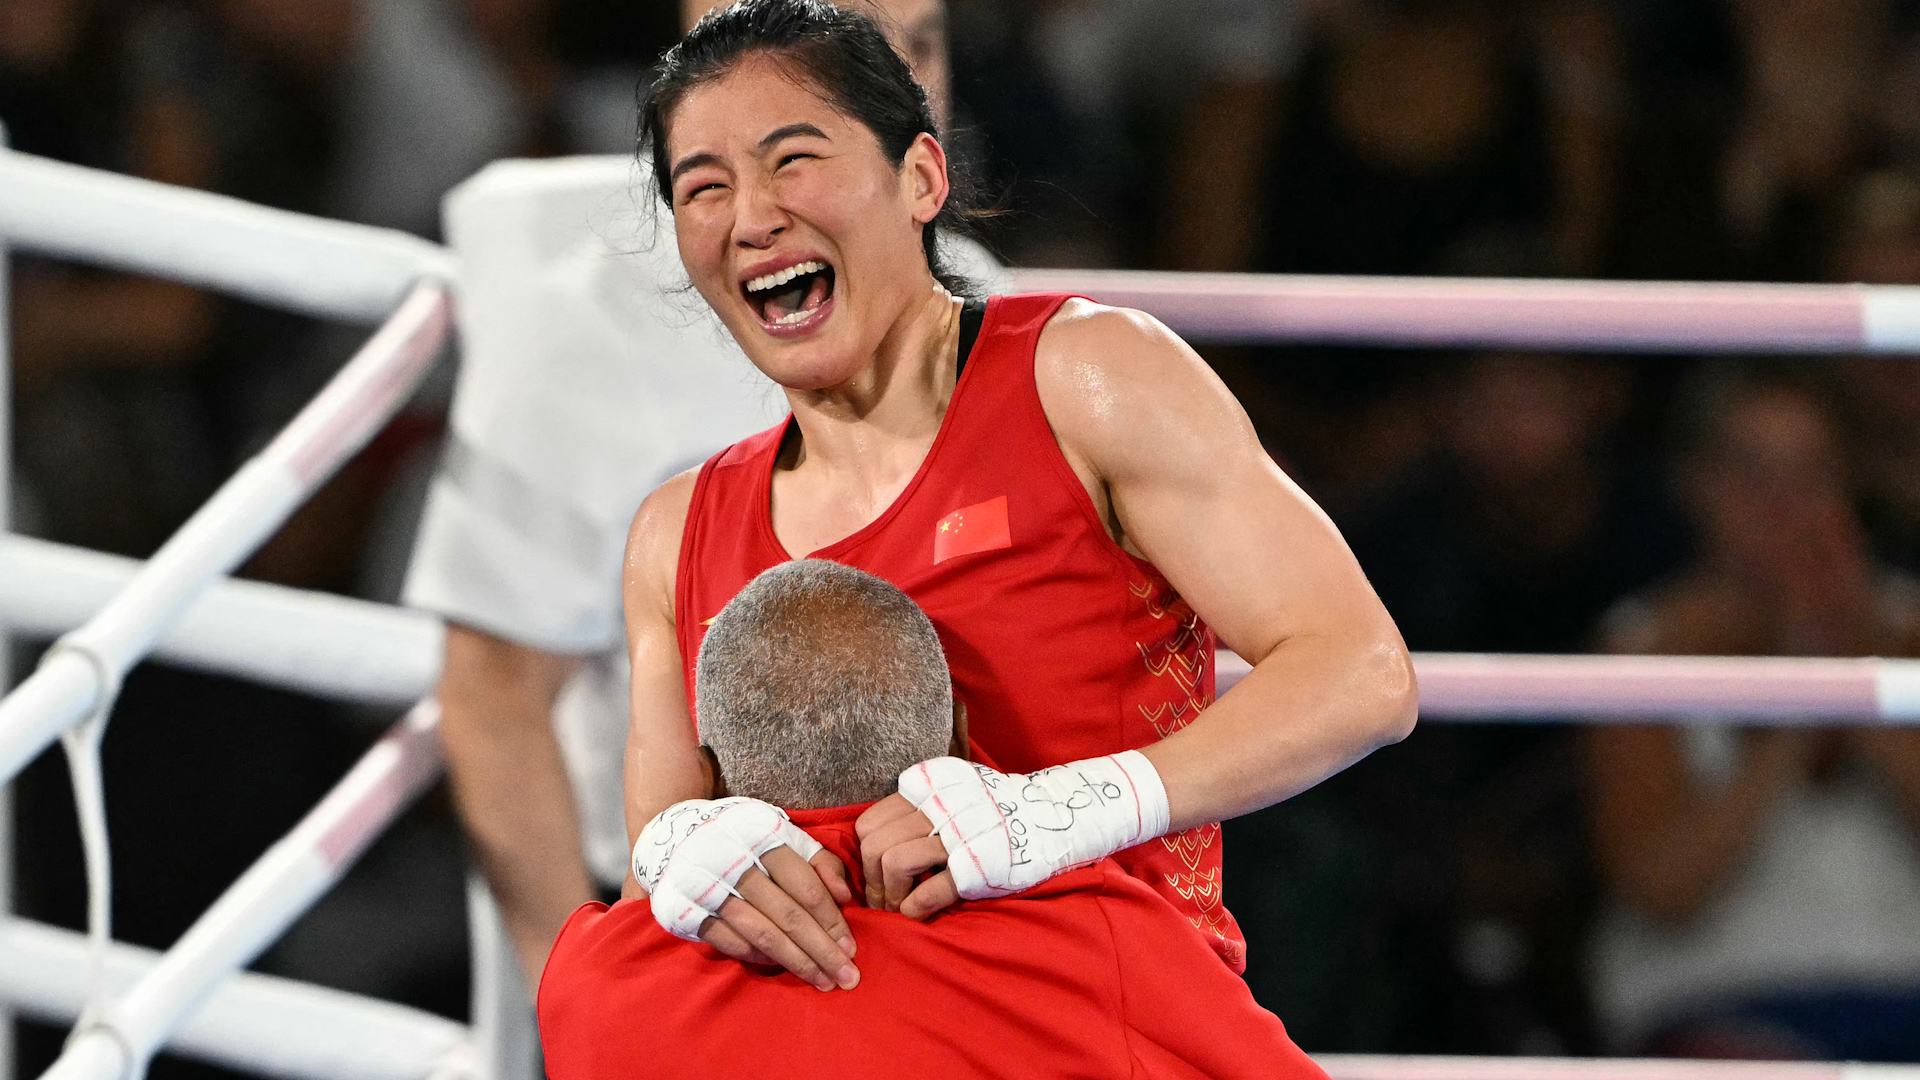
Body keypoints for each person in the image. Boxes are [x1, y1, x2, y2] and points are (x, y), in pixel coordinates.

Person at [620, 0, 1416, 995]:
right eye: (703, 187)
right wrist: (681, 857)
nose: (751, 216)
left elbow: (1362, 672)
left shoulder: (1089, 378)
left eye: (792, 161)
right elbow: (657, 833)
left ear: (920, 176)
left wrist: (1069, 808)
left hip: (1109, 1028)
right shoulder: (674, 535)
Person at [404, 0, 1005, 983]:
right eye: (839, 39)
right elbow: (494, 696)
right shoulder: (592, 326)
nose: (889, 83)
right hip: (703, 936)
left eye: (919, 44)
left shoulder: (988, 300)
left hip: (971, 910)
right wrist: (595, 1001)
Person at [541, 559, 1329, 1080]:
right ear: (956, 741)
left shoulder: (592, 977)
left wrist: (660, 849)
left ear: (707, 777)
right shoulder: (1096, 934)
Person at [1585, 367, 1920, 1061]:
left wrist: (1857, 671)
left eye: (1810, 473)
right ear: (1696, 484)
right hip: (1727, 1009)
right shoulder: (1643, 647)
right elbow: (1665, 889)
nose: (1784, 504)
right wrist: (1797, 706)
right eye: (1751, 473)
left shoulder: (1910, 634)